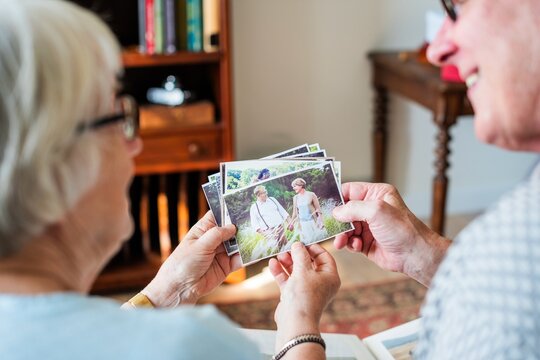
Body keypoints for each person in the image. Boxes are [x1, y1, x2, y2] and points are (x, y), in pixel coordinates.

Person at [0, 1, 340, 359]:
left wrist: (167, 291)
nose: (135, 144)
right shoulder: (189, 345)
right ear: (55, 171)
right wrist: (300, 322)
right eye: (118, 118)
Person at [332, 0, 540, 358]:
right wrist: (420, 251)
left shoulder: (518, 245)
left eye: (459, 9)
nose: (439, 50)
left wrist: (298, 331)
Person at [250, 185, 292, 249]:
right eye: (263, 193)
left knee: (287, 247)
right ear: (258, 195)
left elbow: (283, 212)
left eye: (265, 191)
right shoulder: (254, 207)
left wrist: (290, 223)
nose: (266, 193)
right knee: (276, 250)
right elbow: (255, 226)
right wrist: (268, 235)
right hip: (269, 232)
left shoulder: (272, 199)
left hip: (281, 228)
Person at [291, 178, 325, 244]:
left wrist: (320, 222)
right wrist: (291, 223)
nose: (293, 188)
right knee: (309, 243)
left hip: (313, 222)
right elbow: (294, 213)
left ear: (301, 185)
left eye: (295, 186)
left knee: (319, 241)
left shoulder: (311, 194)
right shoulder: (295, 198)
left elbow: (318, 209)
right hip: (303, 225)